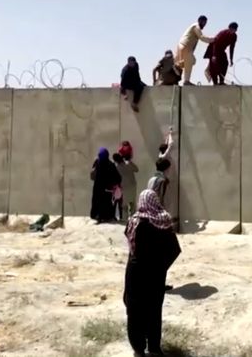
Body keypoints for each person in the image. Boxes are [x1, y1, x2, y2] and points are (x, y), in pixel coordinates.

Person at [123, 189, 181, 357]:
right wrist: (161, 267)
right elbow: (174, 249)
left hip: (135, 274)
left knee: (135, 311)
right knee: (153, 310)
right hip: (155, 276)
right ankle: (154, 348)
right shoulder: (164, 221)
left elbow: (132, 250)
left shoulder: (134, 221)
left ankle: (138, 349)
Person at [174, 15, 213, 85]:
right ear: (200, 21)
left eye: (205, 23)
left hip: (182, 47)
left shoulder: (195, 27)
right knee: (190, 60)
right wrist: (213, 39)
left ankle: (176, 67)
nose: (204, 25)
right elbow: (202, 37)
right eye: (204, 22)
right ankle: (186, 81)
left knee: (190, 61)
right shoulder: (196, 26)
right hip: (185, 46)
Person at [90, 148, 121, 223]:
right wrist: (115, 184)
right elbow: (118, 177)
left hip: (98, 188)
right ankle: (106, 216)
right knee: (106, 202)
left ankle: (98, 215)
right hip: (107, 188)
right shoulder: (110, 164)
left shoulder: (97, 162)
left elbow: (92, 174)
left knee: (97, 201)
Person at [114, 152, 139, 219]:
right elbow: (137, 169)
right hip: (132, 187)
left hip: (123, 188)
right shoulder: (128, 164)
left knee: (124, 206)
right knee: (132, 204)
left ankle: (125, 221)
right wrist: (130, 162)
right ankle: (134, 219)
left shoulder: (116, 167)